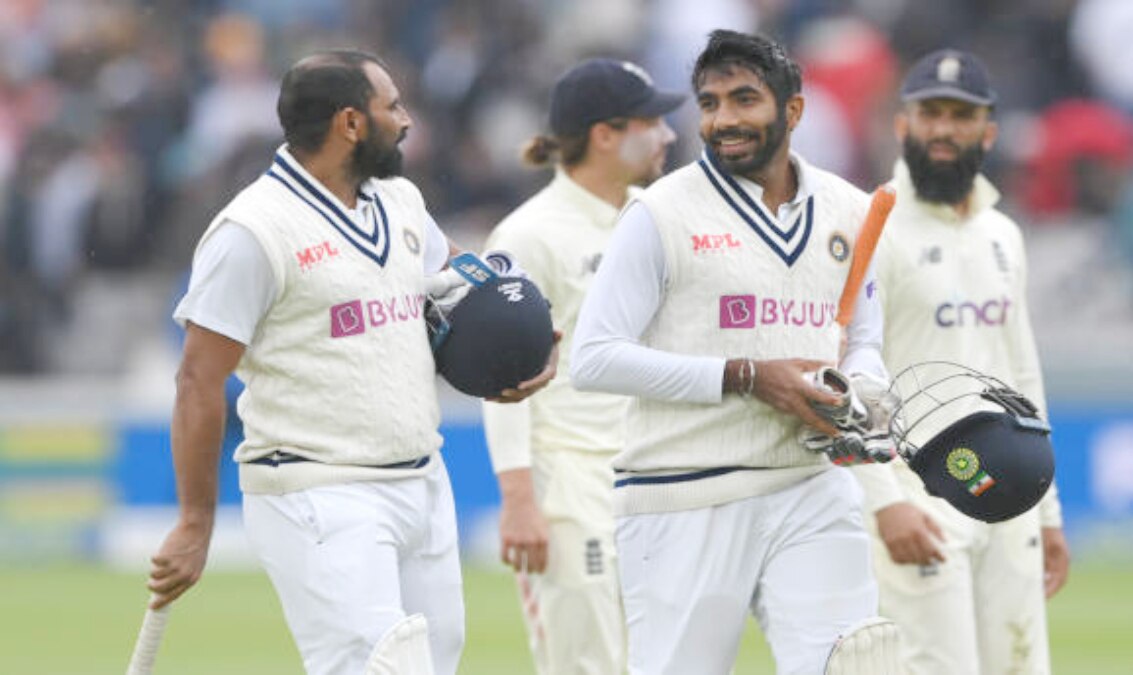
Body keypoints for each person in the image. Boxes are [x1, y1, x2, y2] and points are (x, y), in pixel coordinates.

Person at [144, 49, 554, 675]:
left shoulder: (399, 202)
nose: (408, 119)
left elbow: (457, 282)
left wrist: (517, 344)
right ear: (351, 123)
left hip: (422, 476)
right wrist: (195, 522)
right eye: (393, 106)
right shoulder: (251, 231)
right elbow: (198, 381)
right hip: (317, 489)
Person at [570, 30, 890, 674]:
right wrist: (747, 377)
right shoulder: (659, 213)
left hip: (810, 486)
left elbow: (864, 342)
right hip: (684, 494)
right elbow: (594, 358)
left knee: (854, 664)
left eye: (745, 99)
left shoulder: (852, 210)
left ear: (792, 111)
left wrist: (858, 394)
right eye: (710, 103)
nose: (724, 120)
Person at [851, 49, 1070, 675]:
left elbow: (1021, 375)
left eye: (960, 115)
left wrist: (1046, 509)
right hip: (920, 494)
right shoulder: (873, 224)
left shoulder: (1002, 234)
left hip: (1008, 495)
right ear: (902, 125)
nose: (943, 130)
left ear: (989, 131)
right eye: (929, 114)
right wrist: (882, 501)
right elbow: (848, 374)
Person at [481, 58, 684, 674]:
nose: (669, 135)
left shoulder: (660, 216)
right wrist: (519, 500)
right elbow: (500, 376)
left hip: (656, 473)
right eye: (653, 121)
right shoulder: (528, 236)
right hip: (567, 481)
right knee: (586, 663)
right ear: (605, 134)